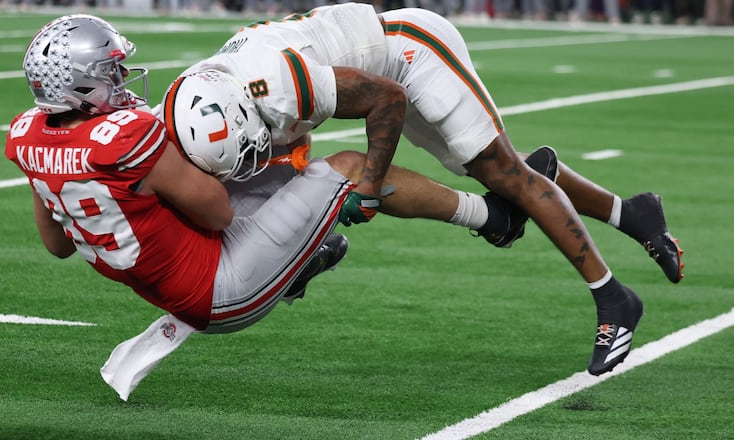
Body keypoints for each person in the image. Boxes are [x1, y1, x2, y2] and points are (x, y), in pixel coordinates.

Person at [177, 2, 685, 376]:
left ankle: (614, 299)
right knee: (493, 170)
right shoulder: (201, 96)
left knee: (504, 173)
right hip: (381, 69)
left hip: (411, 52)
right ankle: (632, 214)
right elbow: (291, 131)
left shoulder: (276, 85)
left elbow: (386, 100)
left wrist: (370, 187)